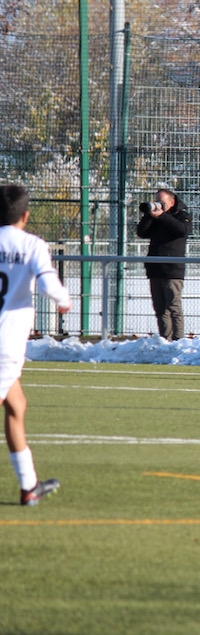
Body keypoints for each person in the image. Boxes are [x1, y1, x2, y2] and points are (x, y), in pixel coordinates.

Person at [0, 184, 72, 506]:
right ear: (26, 216)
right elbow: (47, 284)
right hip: (5, 345)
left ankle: (29, 486)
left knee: (17, 406)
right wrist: (63, 299)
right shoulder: (32, 245)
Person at [136, 187, 192, 340]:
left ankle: (179, 340)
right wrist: (149, 215)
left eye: (162, 202)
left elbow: (182, 230)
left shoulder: (182, 216)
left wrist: (162, 216)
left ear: (172, 202)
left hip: (172, 270)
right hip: (155, 268)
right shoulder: (156, 218)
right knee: (160, 309)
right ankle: (164, 340)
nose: (158, 205)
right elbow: (141, 232)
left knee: (174, 307)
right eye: (156, 201)